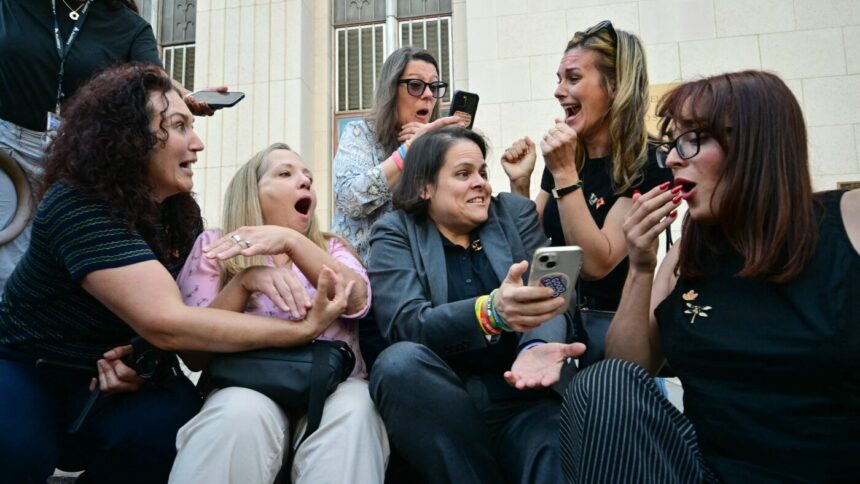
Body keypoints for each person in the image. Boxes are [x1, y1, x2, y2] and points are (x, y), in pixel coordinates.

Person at [0, 64, 350, 483]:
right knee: (17, 448)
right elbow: (168, 323)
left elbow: (178, 328)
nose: (198, 143)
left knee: (171, 420)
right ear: (129, 137)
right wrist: (299, 329)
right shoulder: (77, 204)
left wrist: (143, 361)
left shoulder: (181, 217)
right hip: (29, 366)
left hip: (118, 379)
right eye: (180, 126)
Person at [560, 70, 860, 482]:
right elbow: (626, 372)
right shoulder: (687, 254)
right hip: (709, 473)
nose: (671, 159)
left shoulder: (847, 221)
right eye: (671, 142)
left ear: (755, 142)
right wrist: (641, 267)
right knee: (599, 383)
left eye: (692, 138)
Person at [368, 126, 585, 484]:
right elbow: (406, 324)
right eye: (463, 174)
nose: (481, 183)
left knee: (548, 449)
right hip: (444, 405)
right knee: (397, 363)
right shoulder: (396, 232)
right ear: (424, 187)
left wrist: (536, 345)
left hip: (522, 394)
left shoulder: (513, 213)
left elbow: (551, 293)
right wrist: (490, 313)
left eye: (482, 172)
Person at [169, 143, 389, 483]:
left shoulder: (331, 247)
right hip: (243, 385)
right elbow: (194, 352)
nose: (304, 181)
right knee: (235, 416)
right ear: (251, 191)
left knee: (355, 411)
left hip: (333, 386)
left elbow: (356, 299)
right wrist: (246, 282)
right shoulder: (216, 245)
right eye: (285, 173)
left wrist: (292, 242)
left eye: (308, 177)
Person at [0, 0, 220, 294]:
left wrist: (184, 95)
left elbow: (154, 80)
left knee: (59, 266)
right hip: (7, 151)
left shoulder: (129, 27)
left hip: (76, 163)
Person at [501, 21, 671, 355]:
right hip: (553, 324)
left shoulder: (651, 162)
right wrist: (520, 184)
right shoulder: (567, 156)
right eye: (559, 79)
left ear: (615, 86)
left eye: (573, 78)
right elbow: (528, 246)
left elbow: (596, 264)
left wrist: (565, 173)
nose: (558, 91)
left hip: (614, 332)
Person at [331, 46, 464, 265]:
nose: (428, 95)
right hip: (356, 272)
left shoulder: (437, 146)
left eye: (434, 86)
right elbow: (350, 201)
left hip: (413, 274)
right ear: (392, 90)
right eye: (416, 85)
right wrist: (408, 151)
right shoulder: (360, 133)